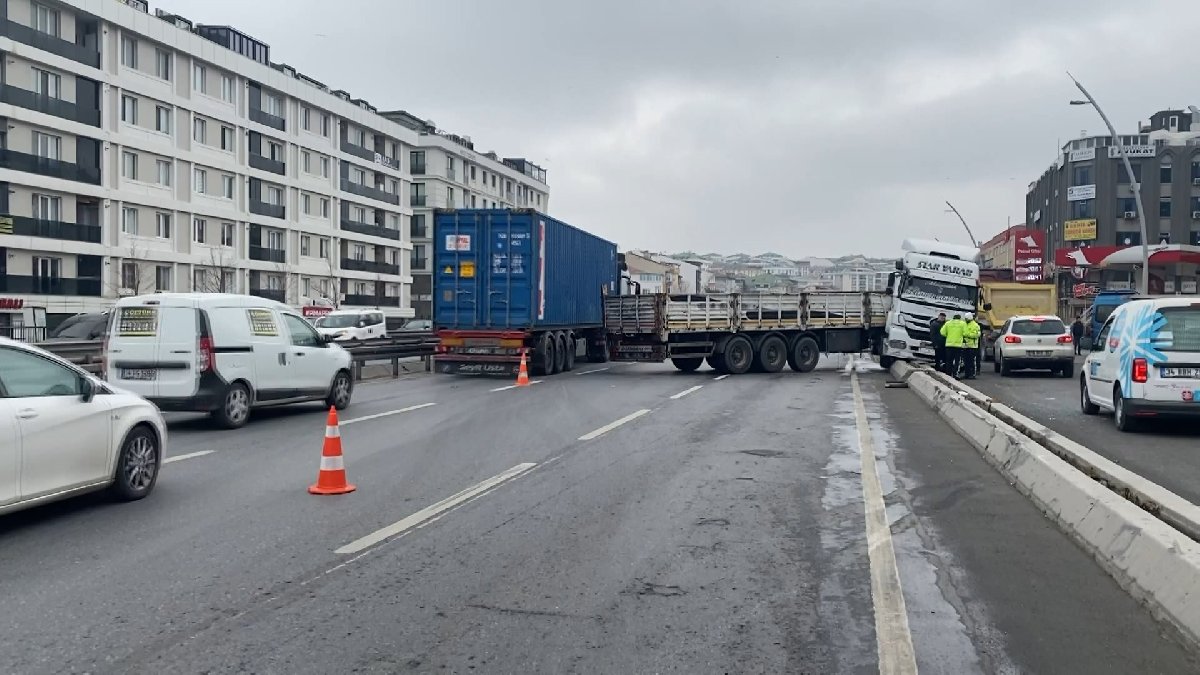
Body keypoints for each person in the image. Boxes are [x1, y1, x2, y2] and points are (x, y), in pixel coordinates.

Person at [940, 313, 967, 378]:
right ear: (959, 317)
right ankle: (955, 374)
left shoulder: (948, 323)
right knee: (957, 361)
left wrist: (948, 335)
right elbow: (965, 333)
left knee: (949, 360)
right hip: (958, 346)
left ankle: (948, 374)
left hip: (949, 345)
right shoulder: (963, 323)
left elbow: (942, 332)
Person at [963, 313, 981, 379]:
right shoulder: (964, 324)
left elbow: (977, 335)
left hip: (972, 346)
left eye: (967, 318)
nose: (966, 320)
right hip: (965, 346)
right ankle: (966, 374)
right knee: (966, 361)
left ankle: (972, 374)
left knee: (971, 361)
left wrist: (967, 335)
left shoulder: (975, 325)